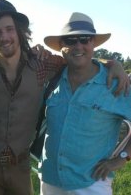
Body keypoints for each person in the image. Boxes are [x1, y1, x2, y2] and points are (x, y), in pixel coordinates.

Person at [0, 0, 129, 195]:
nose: (4, 37)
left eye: (9, 29)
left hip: (23, 167)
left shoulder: (41, 65)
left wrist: (113, 64)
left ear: (19, 32)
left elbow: (79, 59)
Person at [40, 12, 131, 195]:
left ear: (93, 44)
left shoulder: (116, 83)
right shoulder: (51, 76)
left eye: (85, 39)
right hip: (50, 181)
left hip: (91, 184)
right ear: (61, 46)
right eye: (70, 40)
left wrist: (123, 157)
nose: (78, 45)